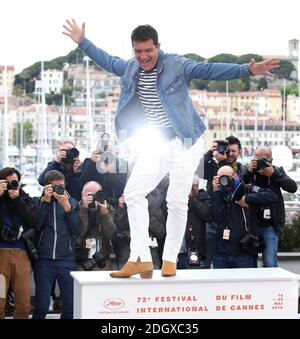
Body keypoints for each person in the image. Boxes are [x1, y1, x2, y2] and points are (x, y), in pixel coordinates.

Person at [63, 19, 279, 277]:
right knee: (132, 193)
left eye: (148, 51)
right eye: (138, 51)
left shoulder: (177, 65)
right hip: (158, 143)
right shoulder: (132, 68)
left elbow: (208, 71)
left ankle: (169, 260)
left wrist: (248, 70)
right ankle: (140, 257)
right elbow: (108, 61)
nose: (143, 57)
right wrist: (83, 42)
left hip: (186, 140)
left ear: (158, 47)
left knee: (176, 200)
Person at [33, 170, 80, 319]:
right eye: (55, 186)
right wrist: (45, 202)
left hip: (67, 259)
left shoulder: (71, 202)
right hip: (44, 260)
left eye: (62, 186)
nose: (60, 189)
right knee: (41, 305)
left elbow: (77, 229)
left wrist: (66, 206)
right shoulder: (39, 202)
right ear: (47, 187)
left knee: (70, 306)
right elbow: (36, 226)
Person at [211, 166, 278, 269]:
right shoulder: (218, 193)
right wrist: (216, 192)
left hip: (244, 251)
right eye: (220, 178)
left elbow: (271, 196)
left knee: (246, 285)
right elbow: (216, 216)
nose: (224, 181)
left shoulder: (247, 189)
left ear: (235, 175)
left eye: (226, 177)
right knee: (221, 285)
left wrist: (248, 198)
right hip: (221, 252)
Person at [242, 146, 297, 267]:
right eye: (257, 157)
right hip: (250, 224)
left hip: (270, 225)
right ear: (253, 158)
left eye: (264, 158)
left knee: (270, 263)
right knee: (249, 263)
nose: (260, 160)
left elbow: (293, 188)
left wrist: (274, 174)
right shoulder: (249, 172)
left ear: (271, 159)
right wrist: (248, 171)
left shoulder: (276, 171)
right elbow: (238, 185)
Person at [0, 167, 37, 319]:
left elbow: (34, 222)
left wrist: (17, 200)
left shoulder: (25, 199)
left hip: (22, 255)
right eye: (6, 183)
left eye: (14, 182)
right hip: (1, 255)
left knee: (24, 305)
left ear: (19, 182)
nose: (10, 186)